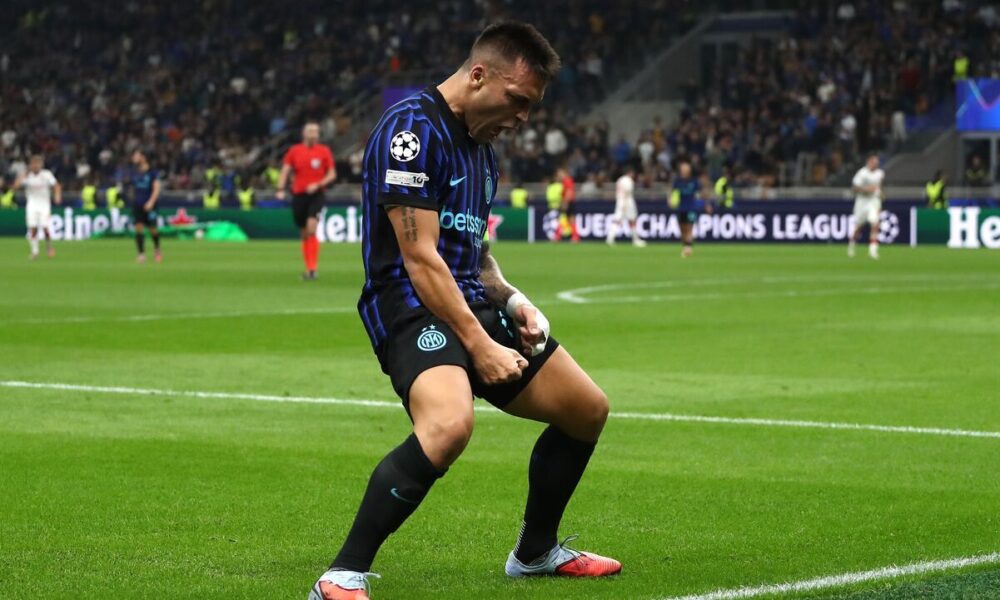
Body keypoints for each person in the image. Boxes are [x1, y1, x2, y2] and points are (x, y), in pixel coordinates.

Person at [311, 22, 620, 600]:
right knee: (450, 425)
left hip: (470, 302)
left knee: (586, 410)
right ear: (479, 75)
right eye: (519, 100)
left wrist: (515, 299)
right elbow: (421, 258)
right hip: (408, 302)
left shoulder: (482, 152)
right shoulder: (411, 131)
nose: (524, 117)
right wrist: (479, 344)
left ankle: (535, 553)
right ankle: (341, 576)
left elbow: (472, 253)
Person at [276, 122, 337, 280]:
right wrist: (280, 189)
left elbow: (331, 174)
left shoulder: (324, 151)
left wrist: (318, 184)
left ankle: (312, 269)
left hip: (317, 195)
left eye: (316, 131)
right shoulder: (294, 151)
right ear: (304, 133)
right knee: (304, 233)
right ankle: (308, 269)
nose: (313, 134)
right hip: (299, 196)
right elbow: (285, 171)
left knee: (311, 228)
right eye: (310, 131)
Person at [14, 154, 61, 259]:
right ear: (31, 165)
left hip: (44, 204)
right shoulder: (27, 175)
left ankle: (49, 247)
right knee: (33, 228)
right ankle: (35, 251)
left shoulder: (47, 174)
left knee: (45, 228)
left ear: (41, 165)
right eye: (33, 164)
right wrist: (23, 175)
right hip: (32, 204)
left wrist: (57, 196)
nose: (35, 166)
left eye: (37, 164)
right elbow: (15, 187)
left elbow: (56, 185)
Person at [669, 161, 708, 258]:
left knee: (689, 228)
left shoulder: (694, 181)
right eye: (682, 169)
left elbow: (702, 192)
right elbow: (672, 192)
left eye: (685, 169)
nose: (683, 171)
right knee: (682, 229)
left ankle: (688, 247)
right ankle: (685, 246)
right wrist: (670, 200)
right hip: (681, 208)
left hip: (691, 207)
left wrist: (706, 204)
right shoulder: (677, 181)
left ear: (689, 170)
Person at [848, 153, 884, 259]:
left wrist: (880, 194)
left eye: (877, 162)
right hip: (862, 201)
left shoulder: (880, 173)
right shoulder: (862, 173)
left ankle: (873, 251)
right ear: (869, 161)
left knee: (875, 223)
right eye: (874, 162)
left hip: (873, 201)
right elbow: (854, 188)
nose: (876, 164)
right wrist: (867, 189)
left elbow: (879, 186)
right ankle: (852, 244)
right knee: (859, 226)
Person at [130, 149, 163, 263]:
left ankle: (157, 249)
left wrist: (151, 202)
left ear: (143, 157)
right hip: (137, 204)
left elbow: (156, 188)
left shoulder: (152, 172)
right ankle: (141, 254)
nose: (134, 158)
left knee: (152, 229)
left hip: (149, 205)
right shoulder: (134, 172)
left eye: (136, 156)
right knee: (138, 228)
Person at [605, 164, 645, 246]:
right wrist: (625, 204)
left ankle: (610, 238)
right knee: (632, 221)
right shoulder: (628, 180)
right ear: (630, 173)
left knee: (617, 220)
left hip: (619, 201)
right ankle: (635, 240)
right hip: (627, 202)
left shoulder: (620, 180)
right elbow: (627, 193)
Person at [558, 167, 579, 242]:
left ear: (564, 173)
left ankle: (558, 237)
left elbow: (569, 192)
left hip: (568, 202)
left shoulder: (567, 180)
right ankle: (575, 237)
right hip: (569, 202)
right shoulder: (566, 181)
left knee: (565, 219)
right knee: (568, 220)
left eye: (560, 174)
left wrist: (565, 203)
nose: (559, 176)